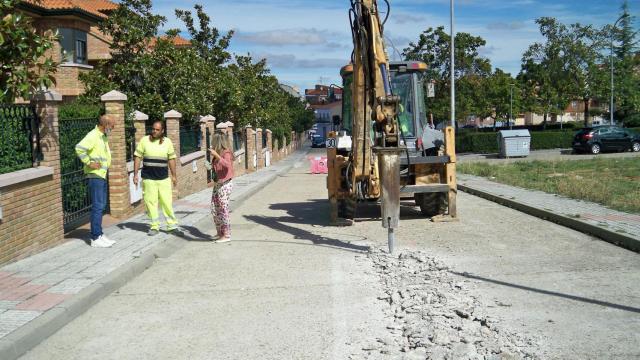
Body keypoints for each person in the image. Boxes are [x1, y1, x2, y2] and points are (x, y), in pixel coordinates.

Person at [133, 121, 181, 236]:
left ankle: (172, 225)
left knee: (166, 202)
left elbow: (171, 159)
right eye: (153, 129)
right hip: (148, 178)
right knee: (150, 202)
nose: (154, 131)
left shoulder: (167, 142)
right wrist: (135, 174)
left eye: (157, 130)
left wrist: (174, 175)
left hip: (163, 178)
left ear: (162, 131)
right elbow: (138, 157)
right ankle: (154, 226)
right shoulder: (144, 140)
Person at [75, 115, 115, 248]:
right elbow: (79, 148)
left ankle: (99, 234)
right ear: (105, 125)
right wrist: (89, 162)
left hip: (101, 174)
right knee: (98, 206)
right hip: (95, 175)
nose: (113, 128)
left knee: (101, 205)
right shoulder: (93, 135)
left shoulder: (102, 136)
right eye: (112, 126)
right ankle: (95, 237)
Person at [207, 131, 234, 243]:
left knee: (223, 209)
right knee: (214, 208)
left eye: (213, 141)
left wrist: (217, 156)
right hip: (218, 184)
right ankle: (220, 232)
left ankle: (227, 235)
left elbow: (227, 165)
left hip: (225, 184)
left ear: (218, 141)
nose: (212, 143)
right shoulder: (218, 153)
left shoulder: (226, 152)